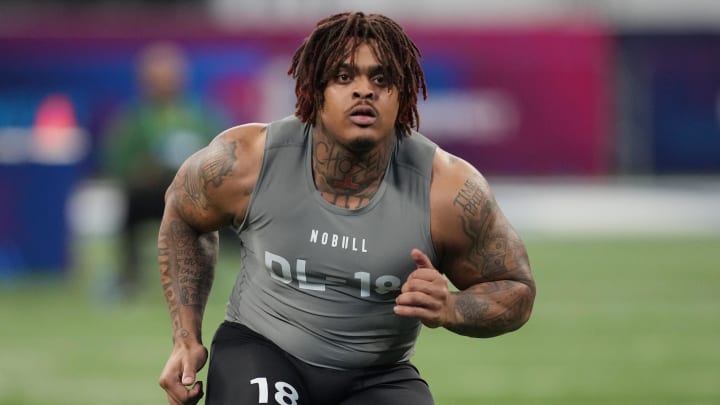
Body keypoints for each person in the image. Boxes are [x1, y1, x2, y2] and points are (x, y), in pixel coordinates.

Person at [157, 11, 536, 405]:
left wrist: (453, 307)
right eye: (343, 77)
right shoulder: (247, 161)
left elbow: (516, 289)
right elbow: (183, 216)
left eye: (381, 78)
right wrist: (186, 338)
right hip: (262, 351)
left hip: (378, 376)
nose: (364, 91)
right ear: (312, 92)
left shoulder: (448, 189)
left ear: (402, 94)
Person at [100, 41, 226, 297]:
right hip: (154, 196)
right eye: (156, 78)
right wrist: (141, 171)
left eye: (169, 76)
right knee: (131, 205)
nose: (164, 83)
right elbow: (118, 165)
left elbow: (229, 157)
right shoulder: (133, 120)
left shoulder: (203, 116)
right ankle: (129, 279)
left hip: (199, 197)